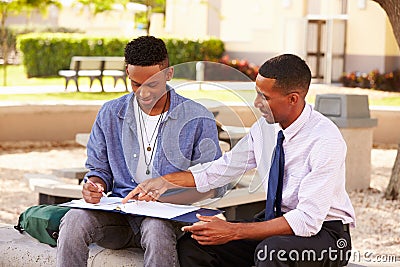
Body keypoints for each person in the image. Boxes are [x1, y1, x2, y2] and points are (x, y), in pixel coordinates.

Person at [123, 54, 356, 267]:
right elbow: (220, 170)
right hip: (276, 223)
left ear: (293, 99)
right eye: (256, 93)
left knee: (272, 252)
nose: (257, 103)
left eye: (265, 97)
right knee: (196, 244)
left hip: (327, 237)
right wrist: (165, 181)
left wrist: (233, 231)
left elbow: (307, 221)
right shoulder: (265, 128)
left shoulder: (325, 140)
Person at [56, 36, 224, 267]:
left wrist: (164, 197)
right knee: (74, 219)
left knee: (155, 228)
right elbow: (98, 170)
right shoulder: (110, 113)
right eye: (136, 84)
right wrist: (95, 186)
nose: (143, 93)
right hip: (118, 217)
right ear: (127, 72)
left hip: (167, 218)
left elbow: (212, 184)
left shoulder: (197, 117)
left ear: (169, 74)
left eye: (152, 84)